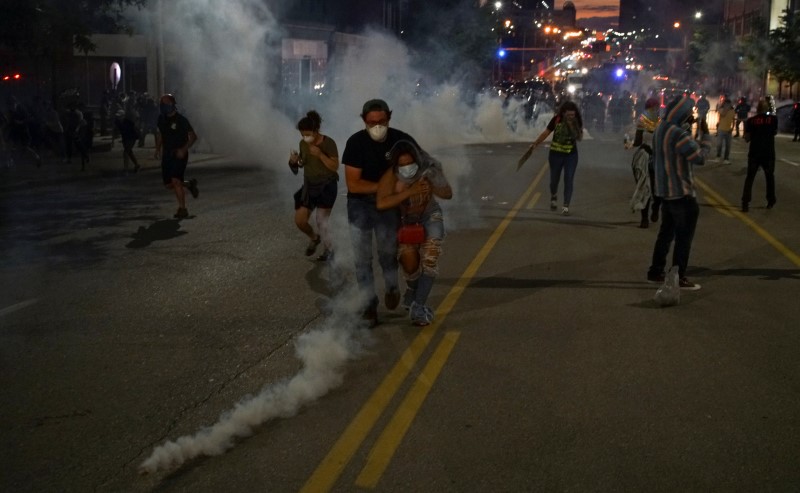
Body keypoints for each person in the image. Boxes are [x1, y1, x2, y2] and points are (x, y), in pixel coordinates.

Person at [342, 99, 420, 327]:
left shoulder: (402, 141)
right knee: (362, 259)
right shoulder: (356, 143)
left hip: (389, 208)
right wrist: (386, 187)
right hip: (360, 206)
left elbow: (418, 170)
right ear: (364, 121)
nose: (377, 126)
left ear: (389, 118)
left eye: (381, 121)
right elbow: (354, 185)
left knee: (388, 253)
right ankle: (369, 306)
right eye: (371, 122)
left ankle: (393, 287)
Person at [376, 141, 452, 326]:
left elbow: (448, 193)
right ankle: (412, 290)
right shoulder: (390, 177)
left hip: (429, 216)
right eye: (401, 165)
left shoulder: (430, 170)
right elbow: (381, 203)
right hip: (405, 222)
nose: (406, 168)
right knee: (410, 264)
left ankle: (418, 306)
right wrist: (408, 192)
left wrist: (433, 186)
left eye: (409, 163)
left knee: (430, 259)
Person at [646, 95, 711, 291]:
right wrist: (705, 137)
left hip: (666, 193)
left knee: (665, 235)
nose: (690, 117)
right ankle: (678, 277)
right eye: (688, 114)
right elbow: (699, 157)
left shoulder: (660, 129)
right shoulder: (678, 134)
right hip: (682, 194)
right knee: (683, 239)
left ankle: (655, 271)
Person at [287, 110, 339, 260]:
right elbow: (301, 165)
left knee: (321, 221)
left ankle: (329, 251)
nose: (305, 137)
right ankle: (314, 238)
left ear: (316, 130)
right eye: (302, 134)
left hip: (327, 186)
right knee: (300, 221)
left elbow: (334, 166)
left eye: (308, 134)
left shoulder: (328, 143)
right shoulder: (303, 143)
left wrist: (320, 155)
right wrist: (294, 161)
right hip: (309, 186)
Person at [528, 100, 583, 215]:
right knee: (554, 180)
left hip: (571, 156)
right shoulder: (556, 120)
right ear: (563, 113)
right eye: (568, 115)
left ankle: (565, 206)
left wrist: (573, 127)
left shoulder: (576, 121)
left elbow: (579, 137)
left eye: (573, 115)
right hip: (555, 155)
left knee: (569, 179)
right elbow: (546, 133)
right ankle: (554, 196)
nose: (571, 117)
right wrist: (535, 143)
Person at [154, 94, 198, 219]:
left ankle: (182, 209)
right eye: (162, 104)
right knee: (169, 185)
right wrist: (157, 149)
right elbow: (161, 135)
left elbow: (193, 137)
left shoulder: (181, 120)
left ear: (172, 104)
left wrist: (184, 149)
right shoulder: (161, 119)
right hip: (167, 154)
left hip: (179, 154)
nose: (163, 106)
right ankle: (189, 184)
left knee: (175, 180)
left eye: (166, 104)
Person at [626, 97, 661, 228]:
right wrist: (630, 143)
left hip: (654, 158)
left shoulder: (661, 122)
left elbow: (638, 142)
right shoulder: (646, 121)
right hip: (647, 157)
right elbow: (638, 141)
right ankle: (645, 218)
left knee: (654, 188)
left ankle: (655, 207)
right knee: (645, 187)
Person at [740, 99, 778, 212]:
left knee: (750, 178)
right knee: (769, 177)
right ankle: (771, 200)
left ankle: (745, 202)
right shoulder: (773, 119)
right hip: (768, 153)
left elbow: (747, 138)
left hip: (754, 153)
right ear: (767, 108)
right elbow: (774, 132)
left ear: (757, 109)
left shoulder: (751, 121)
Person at [715, 95, 735, 164]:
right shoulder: (722, 109)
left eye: (729, 104)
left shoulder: (732, 110)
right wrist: (726, 108)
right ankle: (718, 156)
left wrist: (732, 127)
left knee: (728, 145)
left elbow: (733, 119)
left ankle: (726, 158)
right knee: (719, 144)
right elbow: (723, 114)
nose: (728, 105)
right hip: (721, 129)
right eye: (726, 104)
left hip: (728, 130)